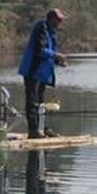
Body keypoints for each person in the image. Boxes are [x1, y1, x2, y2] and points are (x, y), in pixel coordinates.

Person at [18, 9, 67, 138]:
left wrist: (57, 61)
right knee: (33, 101)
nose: (60, 23)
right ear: (52, 19)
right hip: (32, 71)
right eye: (59, 20)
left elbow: (48, 52)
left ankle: (42, 128)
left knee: (40, 103)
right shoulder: (42, 28)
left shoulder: (51, 32)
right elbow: (39, 51)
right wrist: (56, 55)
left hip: (42, 73)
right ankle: (33, 130)